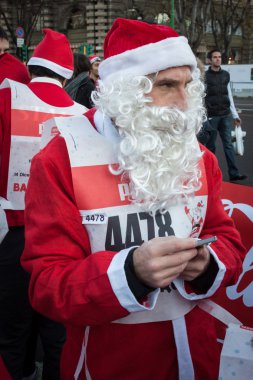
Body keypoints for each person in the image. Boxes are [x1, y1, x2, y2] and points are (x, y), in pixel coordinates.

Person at [22, 19, 245, 380]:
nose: (183, 103)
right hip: (108, 361)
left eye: (188, 84)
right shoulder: (60, 158)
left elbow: (227, 239)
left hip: (198, 355)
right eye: (167, 85)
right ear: (125, 90)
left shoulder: (201, 157)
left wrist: (207, 262)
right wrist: (131, 272)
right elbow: (47, 285)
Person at [0, 28, 86, 380]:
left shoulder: (6, 98)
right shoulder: (83, 114)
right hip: (63, 237)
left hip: (12, 234)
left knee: (11, 328)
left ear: (32, 67)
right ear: (67, 74)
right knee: (58, 330)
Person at [205, 49, 247, 181]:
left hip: (225, 116)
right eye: (215, 57)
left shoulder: (225, 75)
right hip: (211, 116)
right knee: (210, 147)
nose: (217, 59)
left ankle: (234, 174)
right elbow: (201, 96)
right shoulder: (204, 76)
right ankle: (211, 175)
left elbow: (229, 95)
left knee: (228, 145)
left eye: (219, 57)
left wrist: (235, 115)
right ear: (210, 60)